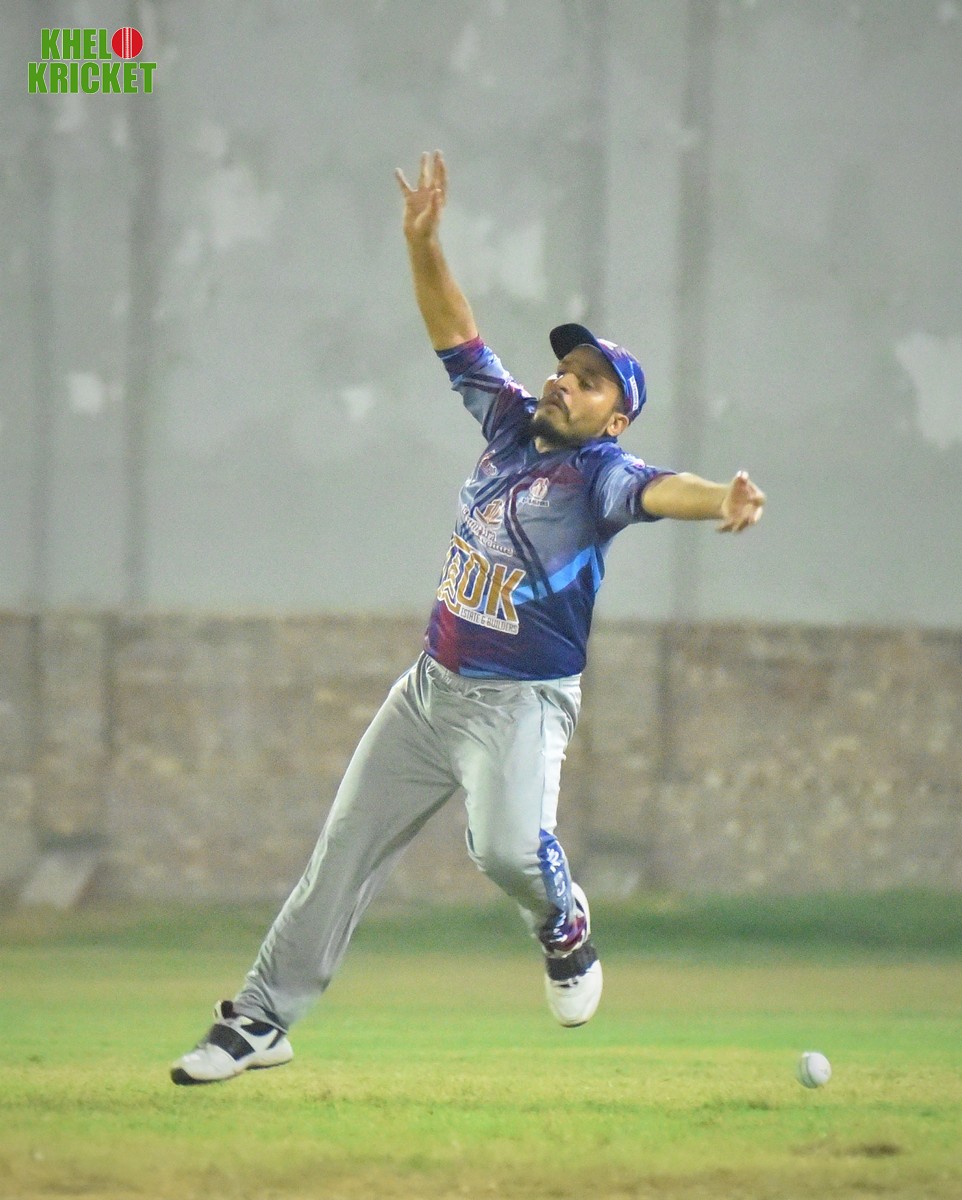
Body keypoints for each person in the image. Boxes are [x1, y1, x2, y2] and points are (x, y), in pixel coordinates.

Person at [170, 150, 765, 1086]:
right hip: (429, 691)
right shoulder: (509, 423)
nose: (565, 380)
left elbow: (663, 490)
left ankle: (563, 923)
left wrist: (718, 498)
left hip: (520, 705)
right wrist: (423, 242)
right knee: (341, 854)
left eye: (591, 380)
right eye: (565, 367)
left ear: (616, 419)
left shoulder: (602, 476)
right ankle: (260, 1019)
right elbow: (455, 331)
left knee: (505, 853)